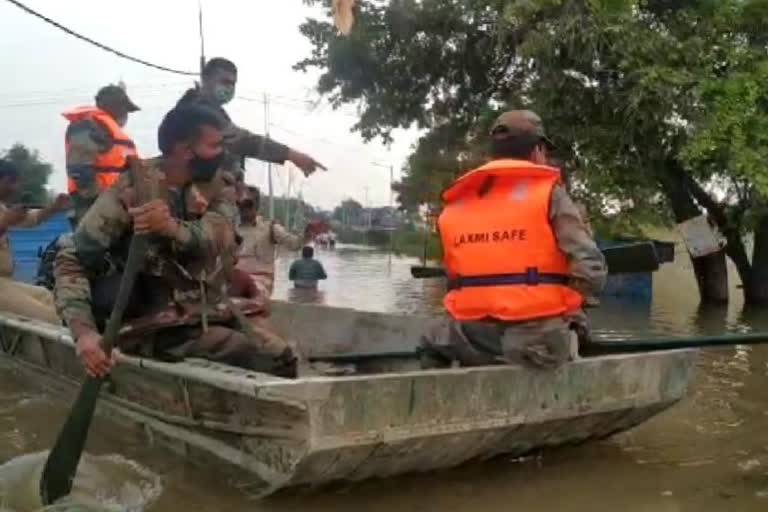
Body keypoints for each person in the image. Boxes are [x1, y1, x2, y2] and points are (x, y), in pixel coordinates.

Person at [54, 105, 298, 379]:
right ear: (184, 149)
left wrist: (169, 227)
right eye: (214, 145)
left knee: (282, 351)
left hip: (208, 313)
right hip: (155, 326)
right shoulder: (133, 189)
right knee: (275, 359)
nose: (222, 153)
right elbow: (72, 259)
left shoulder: (221, 187)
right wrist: (83, 333)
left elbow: (216, 237)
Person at [419, 110, 607, 370]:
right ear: (537, 150)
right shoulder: (548, 191)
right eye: (545, 151)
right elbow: (591, 267)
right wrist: (571, 309)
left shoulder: (461, 198)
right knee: (576, 322)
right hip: (531, 344)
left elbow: (453, 276)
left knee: (432, 338)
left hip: (467, 339)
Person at [176, 58, 326, 179]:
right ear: (206, 80)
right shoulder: (198, 110)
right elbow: (243, 141)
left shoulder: (213, 111)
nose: (229, 88)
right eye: (224, 82)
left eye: (233, 84)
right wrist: (292, 155)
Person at [0, 159, 68, 323]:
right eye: (11, 182)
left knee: (51, 299)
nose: (15, 188)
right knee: (49, 318)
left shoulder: (2, 209)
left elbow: (32, 219)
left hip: (5, 283)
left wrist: (55, 207)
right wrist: (5, 223)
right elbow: (7, 222)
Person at [63, 84, 141, 227]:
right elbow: (80, 170)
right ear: (111, 105)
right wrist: (105, 203)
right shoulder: (87, 124)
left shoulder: (114, 133)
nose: (126, 115)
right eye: (124, 108)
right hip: (93, 209)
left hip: (116, 208)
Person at [237, 186, 311, 298]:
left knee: (253, 291)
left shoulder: (270, 228)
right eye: (240, 205)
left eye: (248, 205)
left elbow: (294, 244)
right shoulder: (230, 228)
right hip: (235, 280)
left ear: (256, 206)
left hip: (260, 281)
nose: (244, 210)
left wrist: (306, 235)